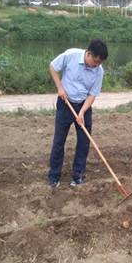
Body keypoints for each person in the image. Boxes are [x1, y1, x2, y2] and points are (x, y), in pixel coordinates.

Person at [47, 39, 108, 189]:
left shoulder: (99, 71)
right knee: (59, 141)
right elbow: (53, 67)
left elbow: (92, 94)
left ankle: (77, 175)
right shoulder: (71, 55)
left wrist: (82, 112)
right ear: (88, 54)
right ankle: (54, 176)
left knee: (84, 142)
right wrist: (59, 87)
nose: (96, 65)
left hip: (84, 106)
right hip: (65, 103)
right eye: (95, 61)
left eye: (99, 63)